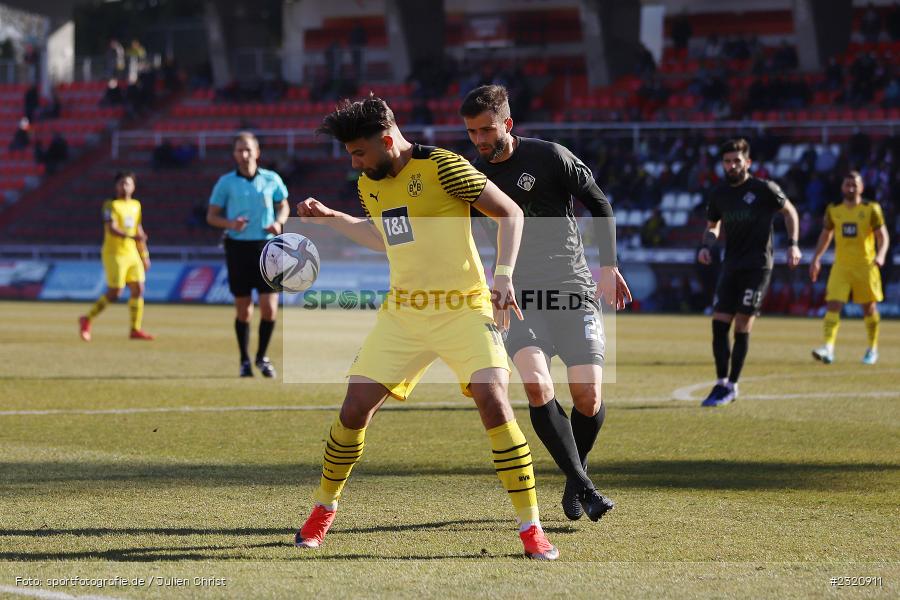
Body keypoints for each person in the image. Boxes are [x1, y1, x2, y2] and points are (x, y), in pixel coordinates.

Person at [293, 94, 559, 560]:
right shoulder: (369, 184)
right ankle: (323, 509)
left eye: (359, 152)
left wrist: (503, 276)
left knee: (494, 399)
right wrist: (335, 219)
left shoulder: (444, 166)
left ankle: (531, 527)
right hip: (405, 312)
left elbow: (510, 213)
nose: (354, 162)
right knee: (354, 409)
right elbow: (385, 236)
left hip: (464, 308)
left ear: (388, 139)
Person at [459, 84, 630, 523]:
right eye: (471, 132)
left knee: (588, 397)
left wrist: (608, 267)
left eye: (486, 129)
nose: (478, 140)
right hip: (521, 298)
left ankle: (576, 473)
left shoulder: (551, 156)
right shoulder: (474, 179)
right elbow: (470, 240)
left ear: (507, 124)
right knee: (537, 385)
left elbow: (599, 203)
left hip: (572, 289)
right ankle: (586, 487)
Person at [698, 139, 801, 407]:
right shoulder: (720, 194)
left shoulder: (764, 189)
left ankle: (732, 385)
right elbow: (713, 225)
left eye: (736, 161)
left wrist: (793, 245)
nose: (731, 166)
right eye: (727, 161)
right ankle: (720, 383)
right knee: (719, 324)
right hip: (731, 265)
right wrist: (707, 245)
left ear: (748, 163)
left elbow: (790, 212)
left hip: (757, 266)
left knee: (742, 325)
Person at [206, 131, 289, 378]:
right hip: (238, 248)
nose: (244, 154)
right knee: (244, 310)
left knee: (270, 308)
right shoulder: (226, 183)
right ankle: (244, 360)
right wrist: (231, 224)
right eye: (239, 150)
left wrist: (279, 222)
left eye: (248, 150)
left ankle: (262, 357)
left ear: (257, 152)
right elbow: (211, 216)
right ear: (234, 154)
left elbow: (282, 204)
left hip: (268, 248)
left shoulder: (272, 179)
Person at [809, 171, 889, 365]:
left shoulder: (872, 209)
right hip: (841, 266)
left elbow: (882, 236)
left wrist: (881, 255)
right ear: (842, 187)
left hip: (866, 266)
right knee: (833, 304)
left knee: (869, 309)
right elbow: (825, 235)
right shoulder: (833, 210)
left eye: (854, 185)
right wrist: (816, 259)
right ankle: (828, 348)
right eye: (847, 184)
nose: (851, 188)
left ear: (861, 187)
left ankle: (872, 349)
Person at [79, 171, 154, 341]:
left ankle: (135, 329)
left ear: (133, 186)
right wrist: (132, 237)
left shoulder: (136, 205)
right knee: (116, 291)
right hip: (114, 253)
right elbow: (111, 228)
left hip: (132, 252)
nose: (124, 186)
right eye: (121, 183)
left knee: (138, 288)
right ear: (116, 186)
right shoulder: (110, 205)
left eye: (128, 183)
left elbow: (138, 229)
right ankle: (87, 318)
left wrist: (144, 254)